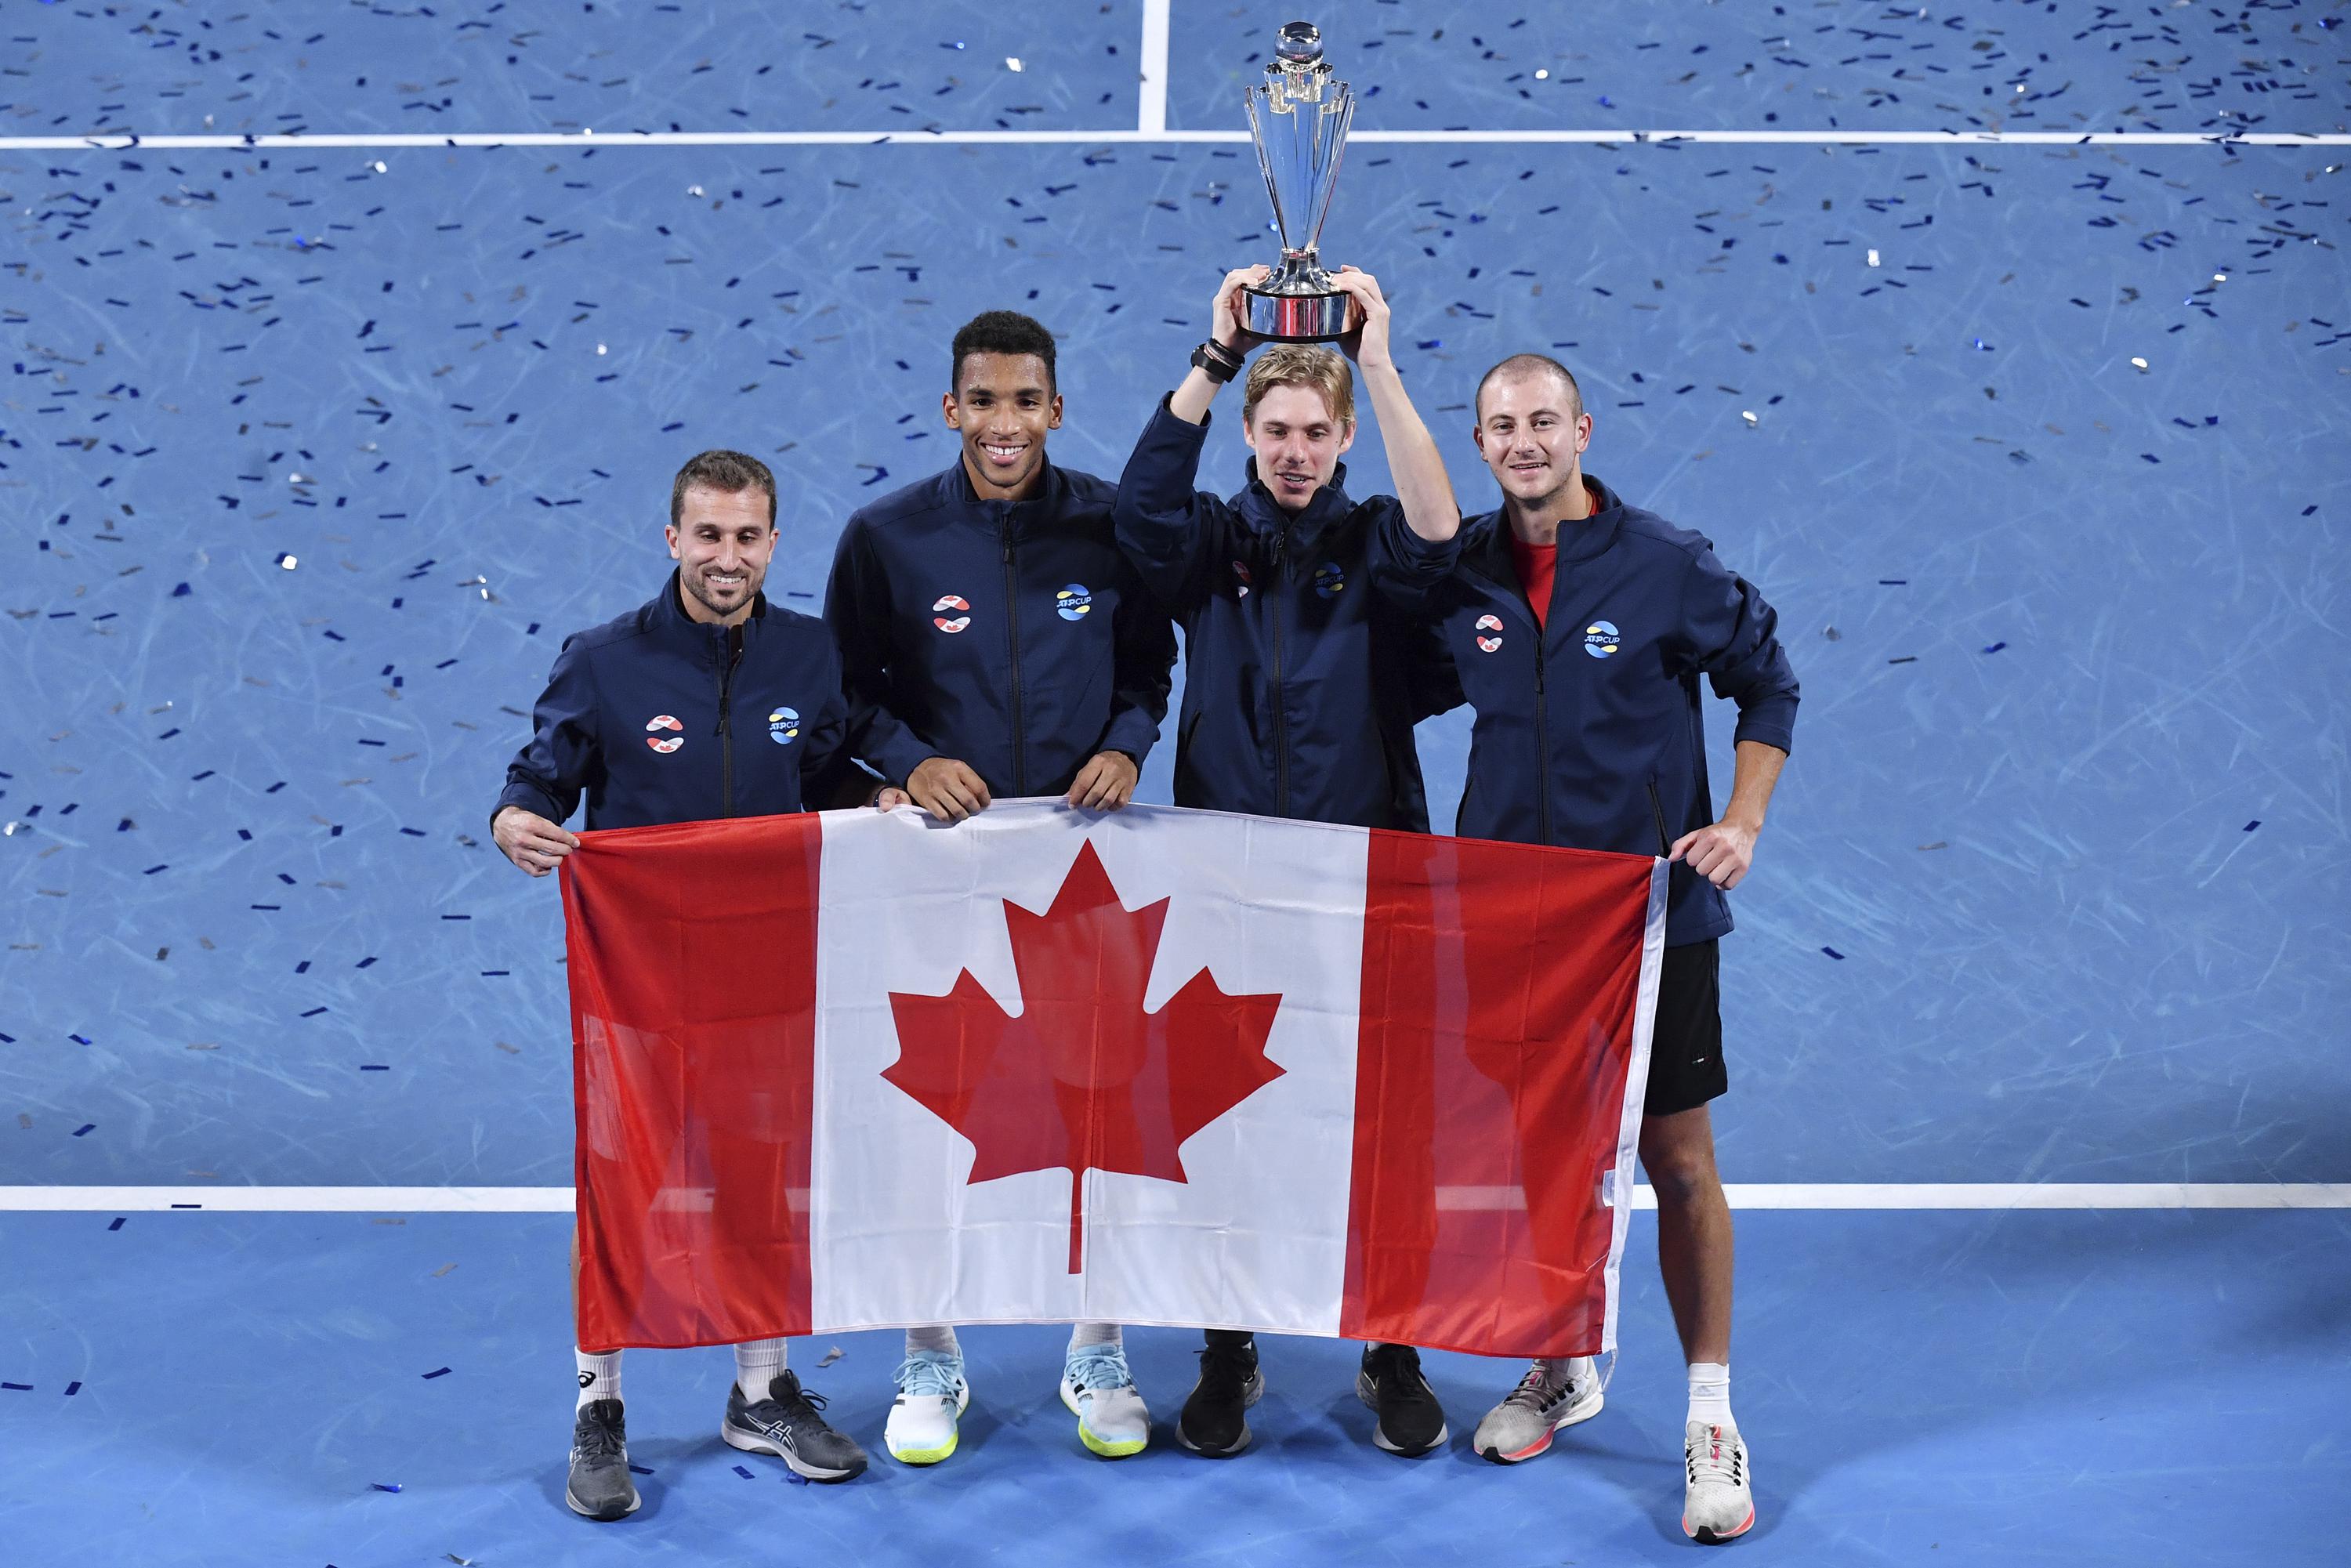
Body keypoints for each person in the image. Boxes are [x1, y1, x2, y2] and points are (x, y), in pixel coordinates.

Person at [1397, 354, 1798, 1544]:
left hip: (1649, 923)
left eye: (1542, 422)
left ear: (1584, 427)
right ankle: (1562, 1358)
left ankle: (1713, 1413)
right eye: (1502, 427)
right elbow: (1399, 685)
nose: (1524, 442)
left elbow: (1766, 684)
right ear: (1480, 443)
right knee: (1540, 1152)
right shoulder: (1464, 569)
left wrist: (1742, 822)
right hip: (1513, 919)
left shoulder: (1668, 563)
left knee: (1676, 1160)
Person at [492, 449, 889, 1520]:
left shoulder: (809, 657)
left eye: (747, 535)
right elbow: (540, 780)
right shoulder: (604, 660)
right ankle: (598, 1403)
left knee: (763, 1177)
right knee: (627, 1182)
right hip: (642, 978)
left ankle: (761, 1389)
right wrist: (513, 819)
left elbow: (835, 766)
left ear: (772, 542)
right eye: (707, 535)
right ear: (673, 539)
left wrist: (886, 791)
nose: (727, 556)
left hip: (766, 973)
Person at [1110, 263, 1464, 1460]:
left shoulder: (1375, 545)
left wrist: (1376, 356)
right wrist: (1213, 358)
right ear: (1250, 434)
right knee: (1225, 1120)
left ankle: (1393, 1345)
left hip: (1371, 887)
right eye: (1276, 431)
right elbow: (1140, 512)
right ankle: (1227, 1347)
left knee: (1382, 1122)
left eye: (1316, 433)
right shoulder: (1213, 545)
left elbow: (1438, 527)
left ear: (1344, 433)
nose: (1296, 452)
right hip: (1227, 883)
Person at [823, 310, 1179, 1465]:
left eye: (1026, 401)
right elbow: (847, 690)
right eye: (984, 401)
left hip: (1082, 861)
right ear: (951, 409)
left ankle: (1099, 1340)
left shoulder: (1109, 528)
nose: (1005, 423)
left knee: (1100, 1103)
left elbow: (1149, 662)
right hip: (945, 862)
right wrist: (907, 761)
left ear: (1056, 409)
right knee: (937, 1096)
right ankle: (930, 1347)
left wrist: (1129, 739)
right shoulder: (885, 540)